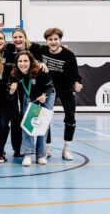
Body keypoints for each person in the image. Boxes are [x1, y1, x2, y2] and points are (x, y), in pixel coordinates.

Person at [41, 28, 83, 160]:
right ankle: (47, 148)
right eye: (50, 39)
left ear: (60, 40)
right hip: (48, 89)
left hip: (66, 90)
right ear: (46, 41)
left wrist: (77, 83)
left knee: (70, 117)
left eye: (55, 39)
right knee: (45, 118)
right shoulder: (41, 51)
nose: (53, 42)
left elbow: (76, 75)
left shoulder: (69, 55)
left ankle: (67, 148)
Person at [10, 51, 55, 166]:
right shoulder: (15, 73)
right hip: (30, 96)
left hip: (47, 95)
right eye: (20, 61)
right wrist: (12, 89)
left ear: (31, 62)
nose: (23, 64)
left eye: (25, 61)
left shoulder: (41, 71)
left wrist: (44, 95)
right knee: (27, 123)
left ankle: (41, 154)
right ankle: (27, 154)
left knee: (42, 123)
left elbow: (50, 87)